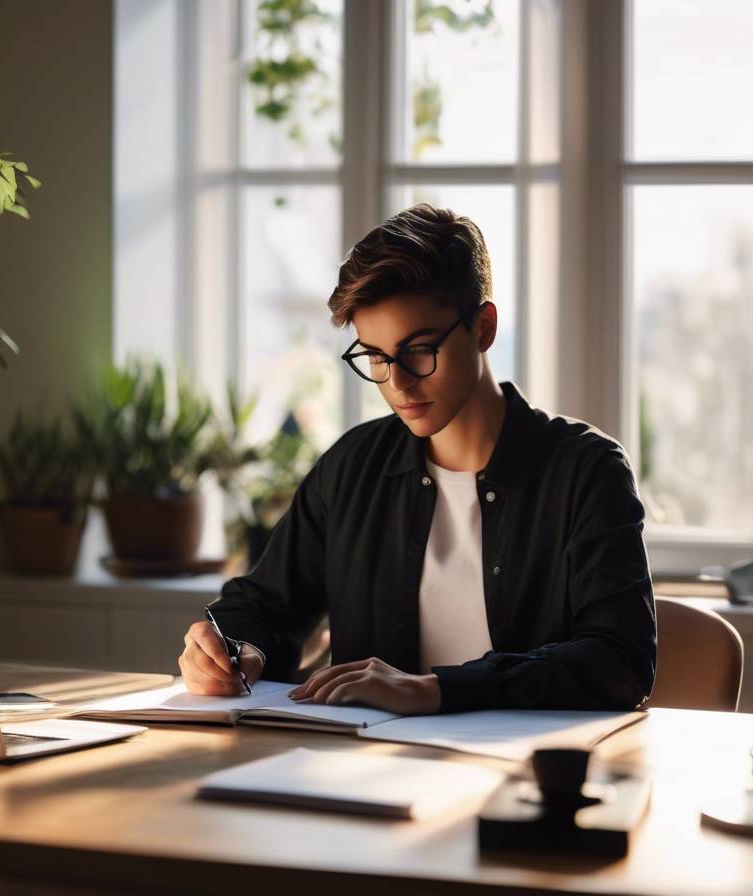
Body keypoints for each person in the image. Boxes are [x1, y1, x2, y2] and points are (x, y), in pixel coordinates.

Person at [179, 203, 656, 714]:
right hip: (370, 774)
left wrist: (436, 689)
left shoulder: (586, 471)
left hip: (523, 777)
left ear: (483, 328)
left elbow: (619, 661)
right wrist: (232, 649)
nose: (398, 382)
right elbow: (262, 605)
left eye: (419, 350)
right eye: (377, 357)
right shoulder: (352, 468)